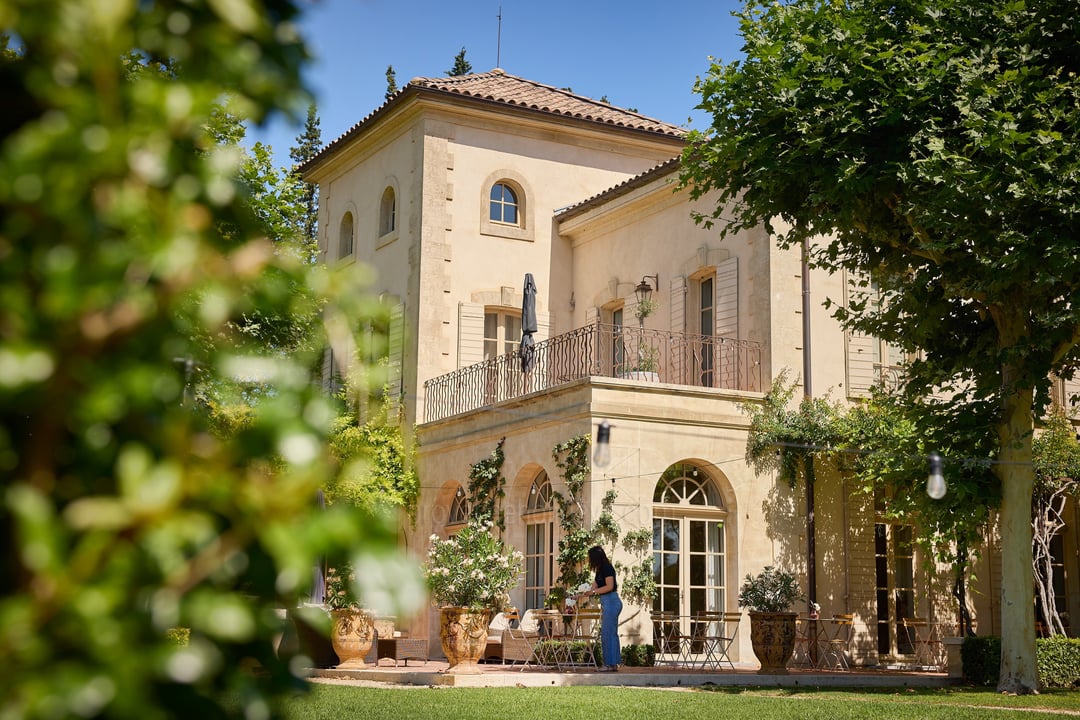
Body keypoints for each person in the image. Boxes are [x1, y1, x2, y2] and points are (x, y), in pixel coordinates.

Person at [581, 545, 623, 672]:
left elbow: (609, 586)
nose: (589, 560)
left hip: (612, 601)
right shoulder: (600, 570)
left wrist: (593, 592)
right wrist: (579, 594)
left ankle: (609, 664)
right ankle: (613, 664)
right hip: (607, 602)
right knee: (609, 633)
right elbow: (593, 588)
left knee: (608, 634)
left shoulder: (607, 568)